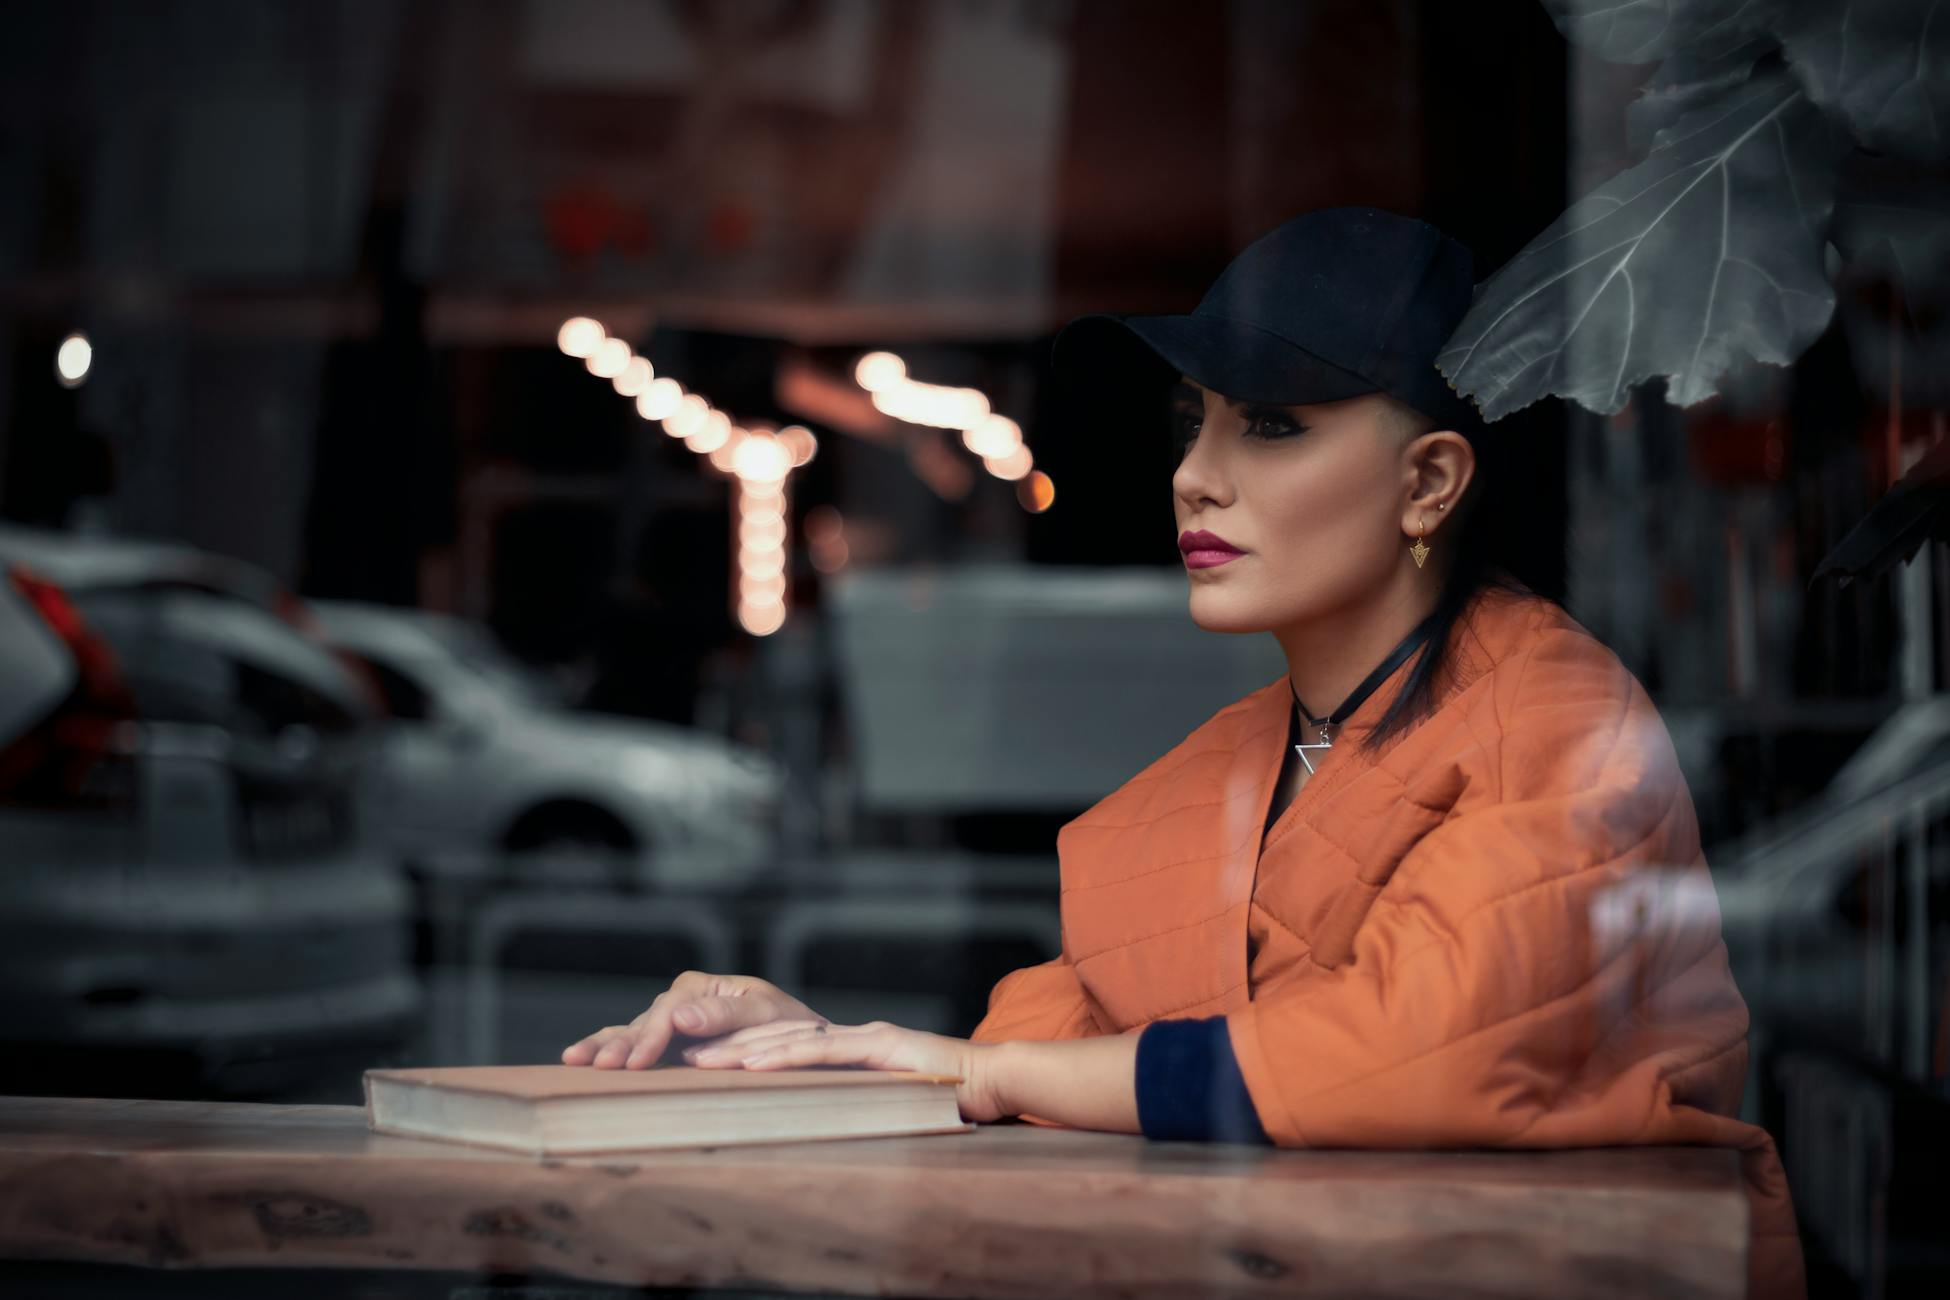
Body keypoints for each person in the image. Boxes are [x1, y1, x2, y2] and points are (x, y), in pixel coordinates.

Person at [561, 207, 1804, 1300]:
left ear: (1430, 480)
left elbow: (1407, 1049)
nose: (1195, 478)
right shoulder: (1230, 761)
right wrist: (813, 1053)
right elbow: (1057, 1060)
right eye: (1192, 422)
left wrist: (971, 1066)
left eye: (1269, 425)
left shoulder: (1564, 725)